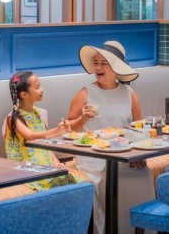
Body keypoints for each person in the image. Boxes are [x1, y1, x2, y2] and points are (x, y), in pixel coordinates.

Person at [67, 40, 154, 234]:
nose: (98, 68)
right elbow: (67, 130)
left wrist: (139, 154)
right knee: (114, 181)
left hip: (124, 155)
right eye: (96, 63)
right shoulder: (85, 93)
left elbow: (139, 128)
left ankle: (139, 230)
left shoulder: (129, 94)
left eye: (104, 63)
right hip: (93, 159)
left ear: (116, 68)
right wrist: (82, 118)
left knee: (144, 175)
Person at [2, 70, 86, 191]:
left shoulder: (39, 113)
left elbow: (44, 143)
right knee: (52, 183)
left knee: (74, 181)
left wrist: (55, 160)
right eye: (37, 87)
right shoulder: (13, 118)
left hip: (45, 165)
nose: (42, 89)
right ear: (24, 94)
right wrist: (56, 131)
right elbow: (30, 136)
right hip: (25, 167)